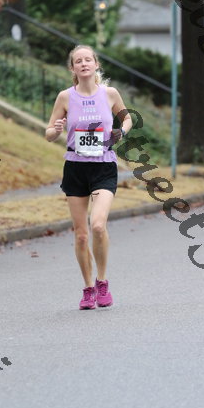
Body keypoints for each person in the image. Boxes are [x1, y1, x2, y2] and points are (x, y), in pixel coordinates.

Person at [45, 45, 132, 310]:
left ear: (96, 65)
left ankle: (102, 281)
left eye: (88, 60)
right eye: (78, 61)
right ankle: (88, 289)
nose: (84, 64)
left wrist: (121, 132)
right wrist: (56, 129)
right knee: (81, 235)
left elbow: (127, 118)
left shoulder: (109, 93)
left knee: (98, 225)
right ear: (72, 68)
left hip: (103, 166)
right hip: (75, 167)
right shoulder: (65, 97)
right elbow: (49, 134)